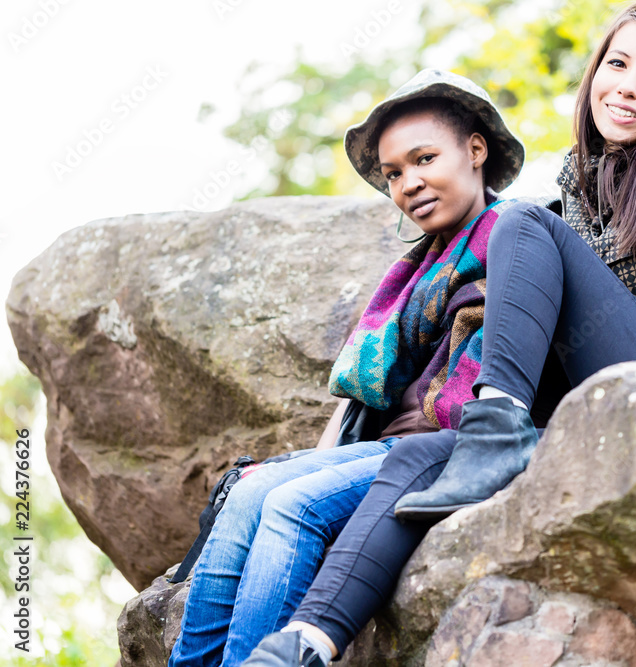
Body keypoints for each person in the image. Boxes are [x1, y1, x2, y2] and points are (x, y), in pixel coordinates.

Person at [244, 3, 636, 665]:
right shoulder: (580, 182)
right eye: (616, 64)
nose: (628, 87)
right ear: (594, 73)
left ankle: (498, 427)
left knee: (520, 224)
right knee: (421, 457)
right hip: (613, 399)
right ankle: (307, 641)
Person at [168, 68, 531, 667]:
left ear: (475, 149)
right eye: (393, 173)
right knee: (250, 491)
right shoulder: (417, 272)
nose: (409, 183)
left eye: (423, 158)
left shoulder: (520, 240)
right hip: (387, 448)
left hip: (455, 445)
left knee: (293, 506)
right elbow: (365, 401)